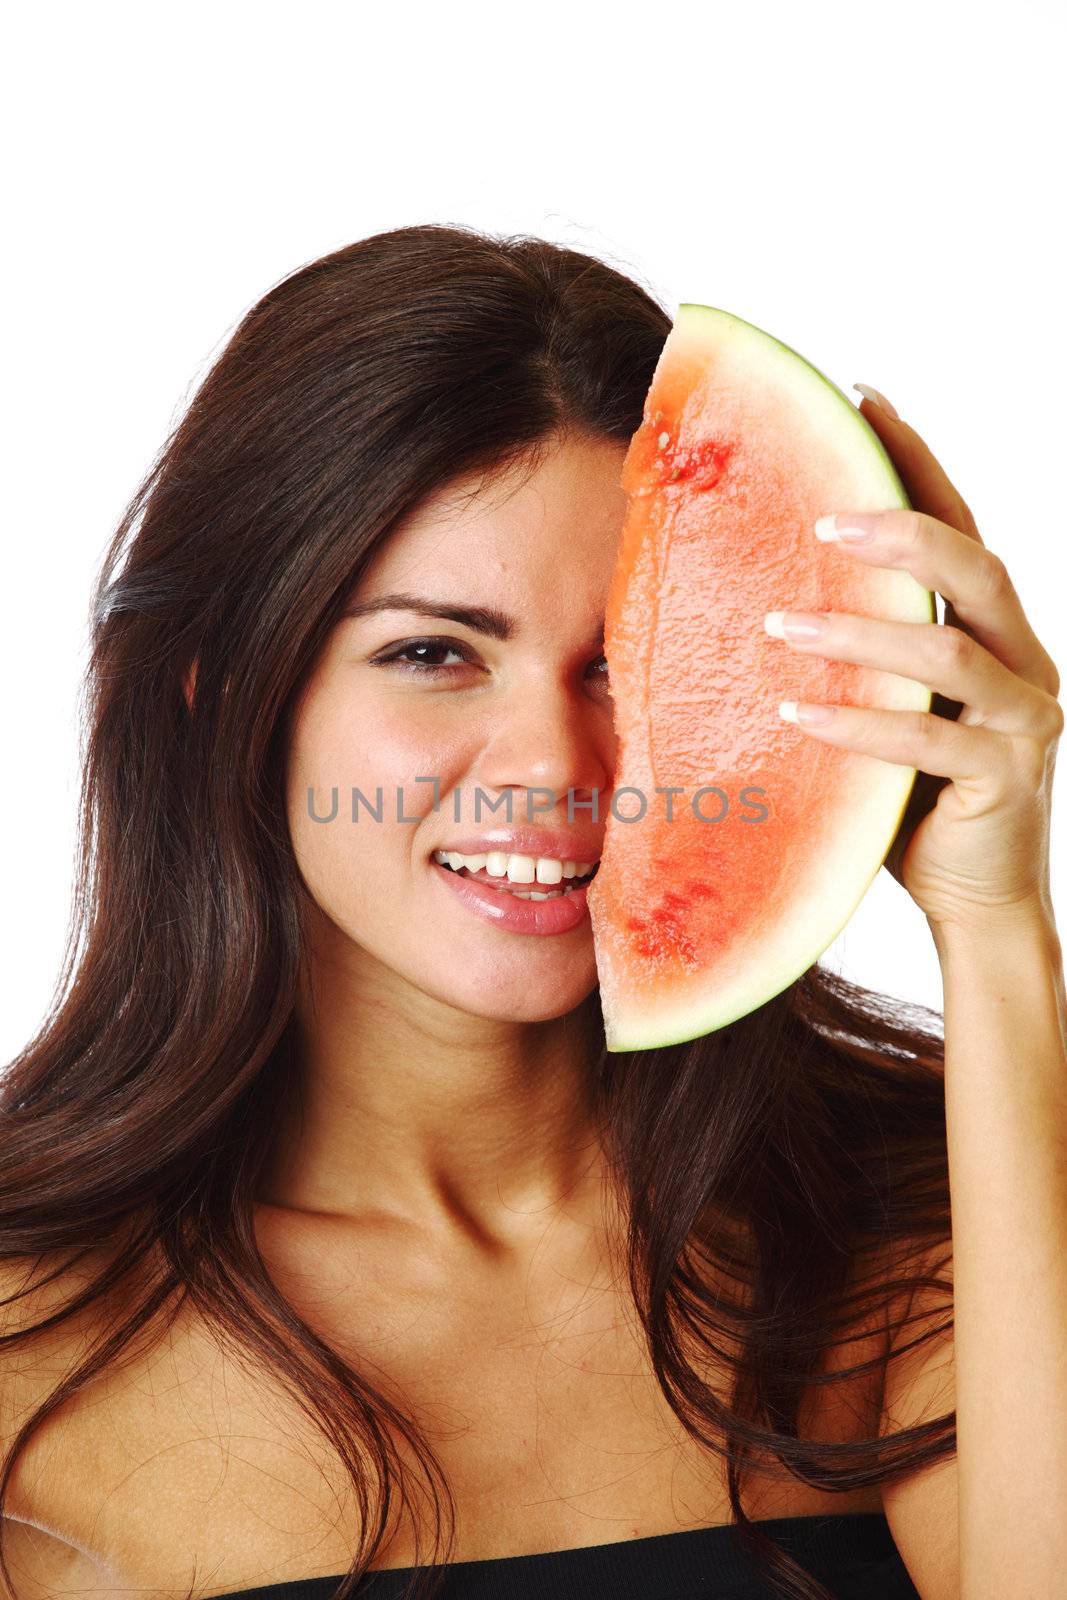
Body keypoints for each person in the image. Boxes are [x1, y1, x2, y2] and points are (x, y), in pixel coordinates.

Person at [2, 224, 1063, 1600]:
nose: (558, 770)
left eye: (630, 663)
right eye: (433, 653)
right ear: (223, 697)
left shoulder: (925, 1225)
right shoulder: (28, 1335)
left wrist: (998, 934)